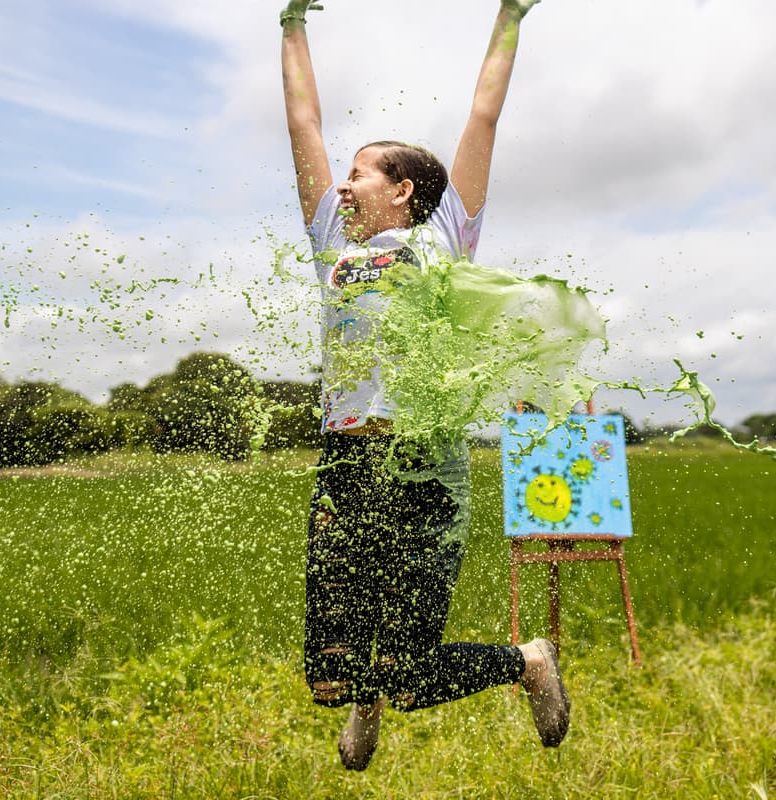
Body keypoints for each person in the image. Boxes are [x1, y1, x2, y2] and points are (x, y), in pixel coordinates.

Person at [280, 0, 570, 771]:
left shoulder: (447, 239)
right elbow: (302, 126)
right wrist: (290, 27)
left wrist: (510, 14)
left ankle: (529, 661)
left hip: (424, 466)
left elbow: (484, 113)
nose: (341, 186)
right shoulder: (332, 245)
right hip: (344, 465)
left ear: (403, 189)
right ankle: (359, 698)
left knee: (413, 675)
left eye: (360, 173)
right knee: (327, 674)